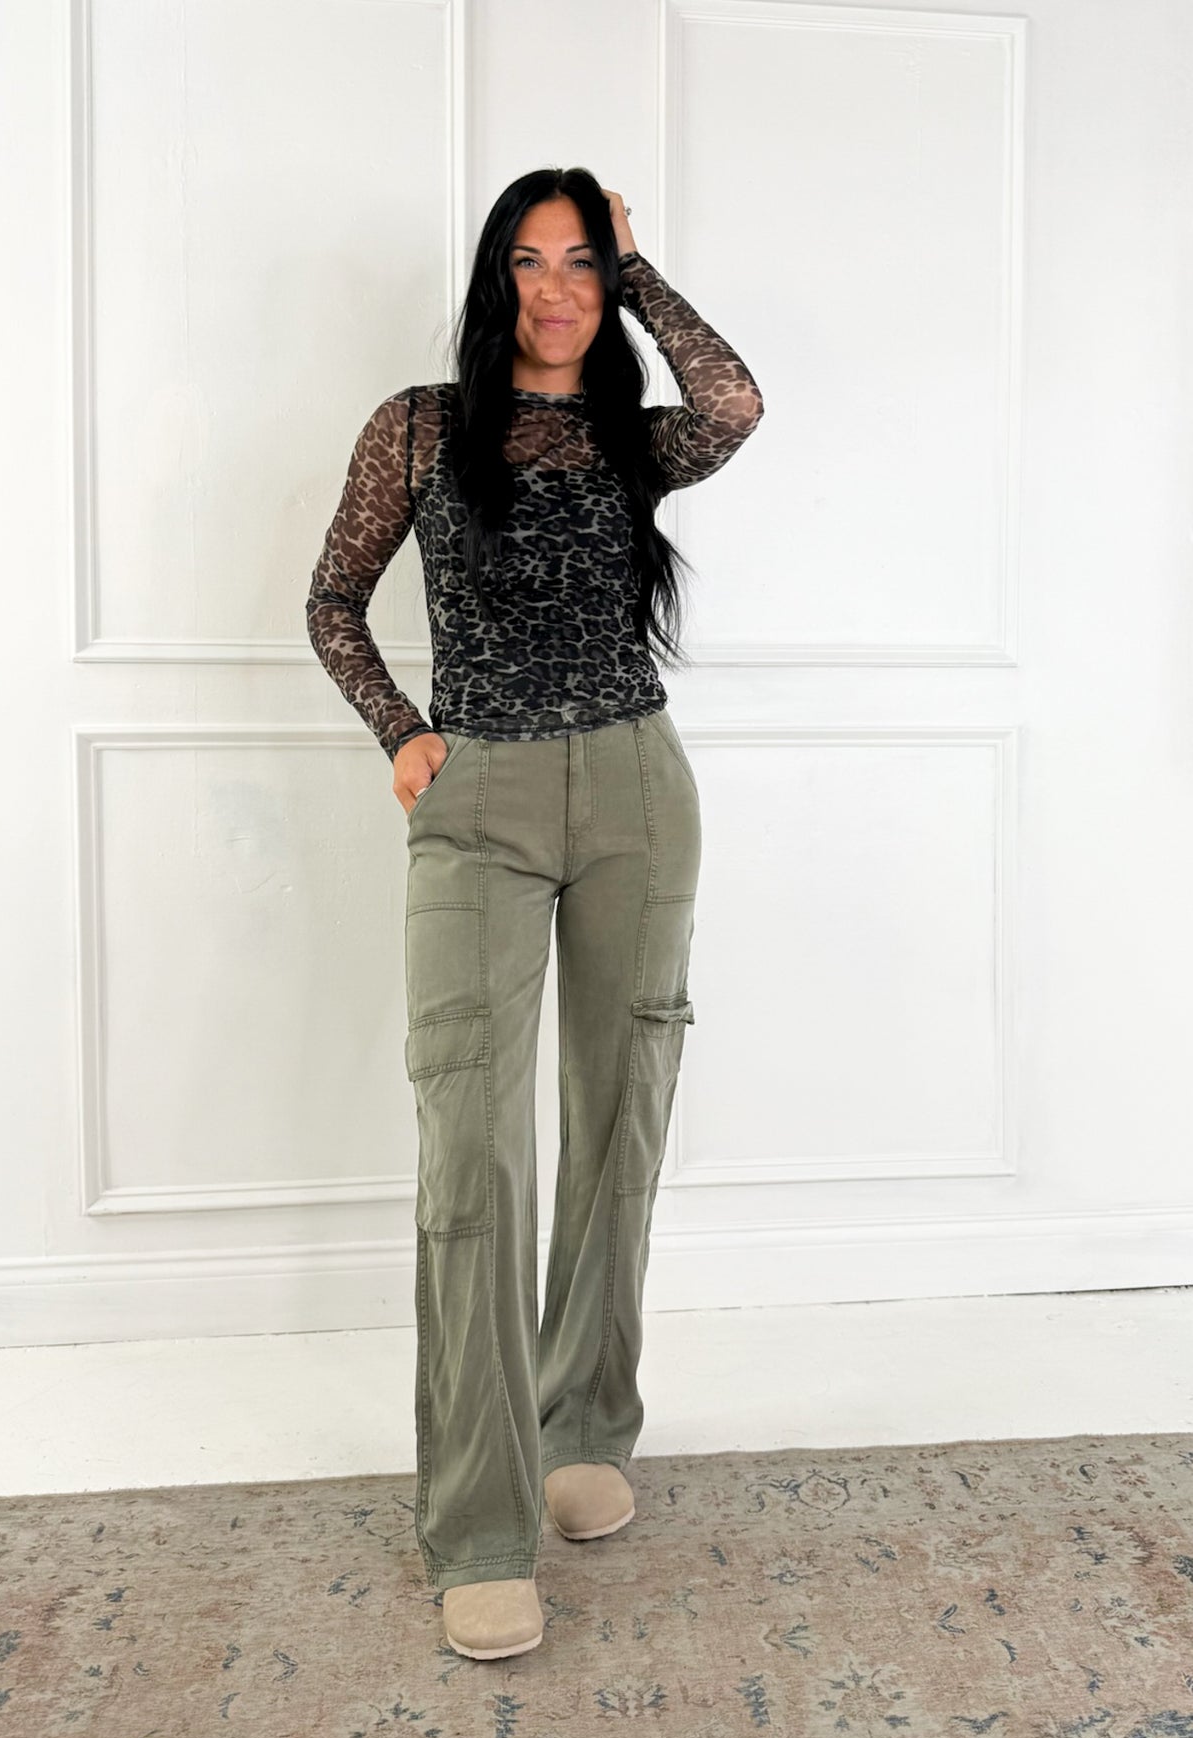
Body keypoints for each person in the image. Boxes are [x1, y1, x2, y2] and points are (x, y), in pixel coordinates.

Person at [306, 166, 764, 1659]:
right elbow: (331, 600)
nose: (555, 289)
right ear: (492, 278)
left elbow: (737, 402)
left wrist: (643, 270)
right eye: (530, 261)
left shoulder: (638, 439)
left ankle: (585, 1426)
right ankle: (480, 1523)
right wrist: (400, 732)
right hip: (480, 799)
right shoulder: (418, 427)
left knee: (623, 1113)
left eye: (579, 263)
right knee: (476, 1149)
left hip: (635, 785)